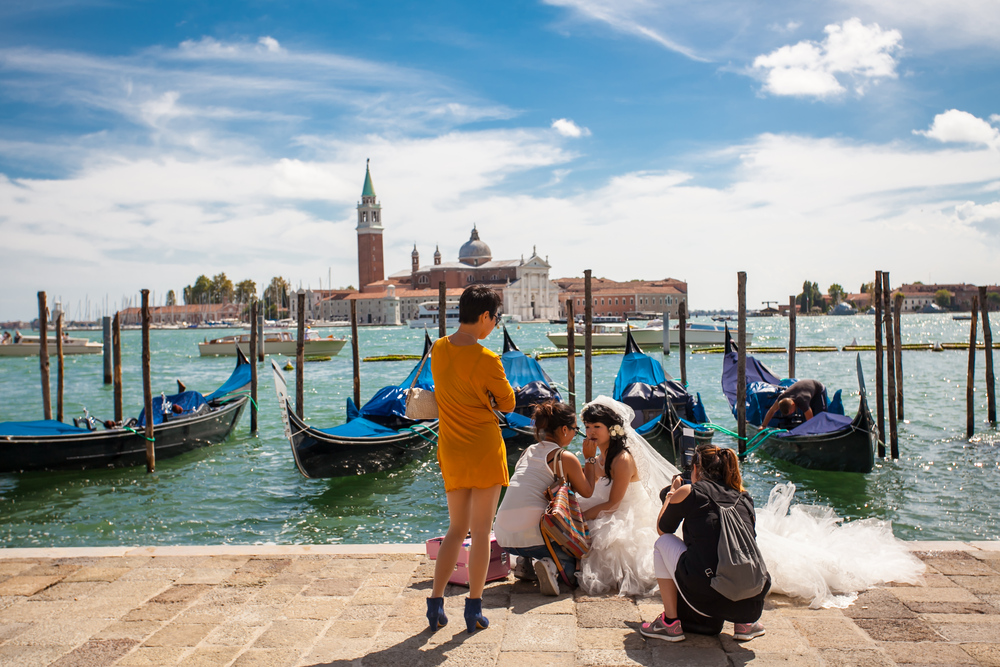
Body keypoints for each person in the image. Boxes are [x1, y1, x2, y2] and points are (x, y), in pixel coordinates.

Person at [426, 284, 516, 634]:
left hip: (451, 448)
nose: (495, 324)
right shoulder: (487, 359)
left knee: (455, 529)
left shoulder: (438, 348)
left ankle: (435, 603)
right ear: (484, 317)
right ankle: (473, 609)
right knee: (480, 533)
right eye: (495, 317)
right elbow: (507, 403)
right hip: (484, 449)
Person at [641, 444, 769, 643]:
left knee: (662, 543)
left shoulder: (690, 491)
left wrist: (672, 493)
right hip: (753, 602)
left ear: (696, 469)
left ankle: (669, 623)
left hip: (709, 593)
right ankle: (745, 624)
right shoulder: (744, 496)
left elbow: (663, 528)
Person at [575, 396, 680, 597]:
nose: (590, 432)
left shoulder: (622, 458)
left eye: (597, 426)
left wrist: (583, 517)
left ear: (612, 429)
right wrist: (588, 458)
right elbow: (588, 488)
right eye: (587, 427)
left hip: (626, 512)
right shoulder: (600, 457)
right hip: (605, 504)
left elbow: (614, 503)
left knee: (602, 538)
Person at [494, 401, 597, 596]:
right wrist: (590, 457)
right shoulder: (564, 457)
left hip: (503, 536)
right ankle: (549, 565)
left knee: (531, 515)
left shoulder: (527, 452)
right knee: (575, 566)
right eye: (575, 429)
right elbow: (588, 490)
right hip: (535, 536)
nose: (576, 433)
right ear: (564, 429)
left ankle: (524, 563)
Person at [760, 379, 827, 426]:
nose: (791, 414)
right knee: (805, 420)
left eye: (791, 412)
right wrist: (763, 425)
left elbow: (810, 421)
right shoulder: (782, 397)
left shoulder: (802, 401)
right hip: (805, 391)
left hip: (818, 390)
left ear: (793, 404)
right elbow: (772, 410)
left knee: (819, 415)